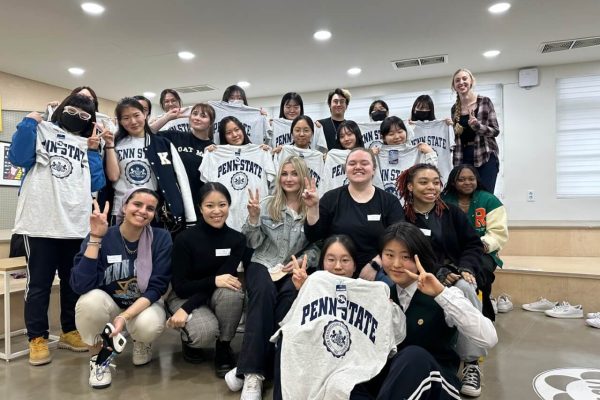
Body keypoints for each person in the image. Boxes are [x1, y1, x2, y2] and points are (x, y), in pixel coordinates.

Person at [8, 93, 105, 366]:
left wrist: (93, 151)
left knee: (72, 285)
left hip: (75, 225)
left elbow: (95, 182)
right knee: (38, 285)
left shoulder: (86, 143)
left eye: (86, 116)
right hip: (40, 223)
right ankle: (36, 338)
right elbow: (18, 157)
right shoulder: (42, 130)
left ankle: (69, 330)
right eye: (74, 111)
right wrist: (28, 123)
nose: (79, 118)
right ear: (63, 109)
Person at [349, 222, 497, 400]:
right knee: (352, 381)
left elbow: (488, 338)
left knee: (413, 356)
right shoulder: (383, 294)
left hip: (437, 381)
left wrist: (441, 294)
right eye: (389, 255)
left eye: (406, 257)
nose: (396, 264)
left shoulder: (443, 293)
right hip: (396, 382)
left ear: (421, 257)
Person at [225, 156, 319, 400]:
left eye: (294, 173)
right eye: (284, 173)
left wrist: (304, 260)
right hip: (263, 263)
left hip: (293, 267)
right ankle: (253, 375)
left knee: (289, 301)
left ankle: (265, 367)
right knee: (263, 295)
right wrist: (254, 218)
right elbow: (253, 243)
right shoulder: (266, 204)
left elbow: (318, 245)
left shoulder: (313, 206)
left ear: (303, 176)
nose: (288, 178)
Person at [272, 234, 405, 400]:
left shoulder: (372, 292)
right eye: (331, 259)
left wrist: (385, 307)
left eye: (345, 260)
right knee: (286, 340)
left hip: (351, 371)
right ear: (322, 263)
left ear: (355, 264)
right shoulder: (313, 282)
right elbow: (290, 326)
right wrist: (302, 291)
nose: (337, 266)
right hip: (315, 362)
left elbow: (393, 335)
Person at [396, 163, 489, 397]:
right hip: (417, 275)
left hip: (455, 274)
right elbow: (405, 251)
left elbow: (472, 245)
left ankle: (471, 363)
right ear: (410, 186)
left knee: (466, 287)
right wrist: (437, 272)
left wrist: (466, 267)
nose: (432, 187)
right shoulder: (402, 216)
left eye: (436, 182)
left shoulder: (452, 213)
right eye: (424, 182)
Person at [71, 188, 171, 389]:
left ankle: (140, 340)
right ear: (124, 206)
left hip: (143, 304)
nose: (143, 211)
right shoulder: (104, 235)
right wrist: (96, 238)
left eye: (150, 208)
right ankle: (99, 359)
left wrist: (125, 317)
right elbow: (80, 284)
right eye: (137, 204)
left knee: (149, 325)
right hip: (111, 303)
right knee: (89, 302)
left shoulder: (161, 238)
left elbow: (156, 288)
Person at [165, 183, 246, 375]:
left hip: (214, 294)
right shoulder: (184, 239)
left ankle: (224, 346)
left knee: (232, 291)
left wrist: (214, 283)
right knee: (203, 332)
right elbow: (181, 287)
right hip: (184, 295)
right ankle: (190, 341)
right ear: (200, 208)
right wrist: (185, 307)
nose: (217, 211)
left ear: (229, 205)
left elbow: (223, 281)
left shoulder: (237, 240)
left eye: (222, 204)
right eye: (210, 206)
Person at [304, 147, 405, 282]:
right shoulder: (331, 198)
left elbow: (398, 240)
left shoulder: (389, 201)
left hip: (376, 270)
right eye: (352, 164)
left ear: (374, 169)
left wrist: (375, 265)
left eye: (364, 163)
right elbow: (313, 236)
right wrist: (312, 208)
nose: (358, 167)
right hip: (336, 268)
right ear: (345, 169)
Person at [104, 97, 196, 231]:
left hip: (153, 213)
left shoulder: (162, 144)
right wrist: (110, 146)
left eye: (136, 115)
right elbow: (113, 177)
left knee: (155, 251)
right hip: (121, 211)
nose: (133, 121)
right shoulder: (115, 143)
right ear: (120, 121)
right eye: (126, 118)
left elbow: (182, 181)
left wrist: (190, 218)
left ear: (145, 115)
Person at [442, 165, 508, 321]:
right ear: (453, 182)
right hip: (451, 251)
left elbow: (498, 232)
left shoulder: (489, 200)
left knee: (481, 271)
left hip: (482, 251)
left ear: (477, 180)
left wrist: (478, 246)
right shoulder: (443, 201)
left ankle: (482, 313)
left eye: (471, 179)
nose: (467, 183)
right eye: (461, 179)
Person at [201, 116, 275, 231]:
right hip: (227, 219)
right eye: (229, 132)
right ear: (223, 136)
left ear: (242, 130)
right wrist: (210, 154)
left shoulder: (261, 152)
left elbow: (273, 182)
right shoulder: (215, 154)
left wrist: (267, 152)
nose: (235, 135)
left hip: (255, 216)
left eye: (237, 130)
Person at [159, 103, 216, 217]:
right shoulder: (175, 136)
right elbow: (148, 133)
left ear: (211, 122)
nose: (197, 118)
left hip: (196, 204)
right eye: (194, 114)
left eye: (203, 116)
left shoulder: (213, 149)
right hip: (172, 202)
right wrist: (168, 117)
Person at [450, 68, 500, 192]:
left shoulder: (484, 101)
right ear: (454, 86)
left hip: (485, 155)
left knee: (485, 194)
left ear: (471, 81)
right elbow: (457, 137)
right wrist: (449, 127)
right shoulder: (454, 109)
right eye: (457, 80)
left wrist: (477, 126)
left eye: (464, 78)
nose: (461, 82)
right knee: (466, 195)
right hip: (463, 156)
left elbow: (495, 131)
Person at [377, 116, 437, 199]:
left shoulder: (418, 151)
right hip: (384, 205)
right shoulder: (376, 154)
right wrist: (369, 155)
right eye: (391, 134)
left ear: (406, 132)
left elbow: (431, 173)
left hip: (410, 204)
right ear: (383, 137)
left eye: (400, 131)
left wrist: (430, 153)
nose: (397, 137)